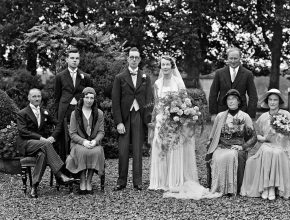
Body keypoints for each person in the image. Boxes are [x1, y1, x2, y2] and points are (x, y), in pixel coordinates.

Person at [148, 55, 221, 199]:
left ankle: (174, 180)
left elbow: (184, 103)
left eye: (168, 64)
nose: (165, 67)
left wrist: (180, 116)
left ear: (172, 66)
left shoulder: (178, 83)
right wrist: (154, 121)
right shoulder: (157, 83)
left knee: (174, 149)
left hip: (175, 120)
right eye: (163, 64)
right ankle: (160, 181)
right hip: (161, 120)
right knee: (160, 149)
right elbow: (156, 105)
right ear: (160, 66)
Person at [241, 89, 290, 200]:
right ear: (267, 101)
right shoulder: (263, 117)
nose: (272, 102)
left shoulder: (285, 114)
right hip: (267, 145)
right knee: (267, 151)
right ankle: (266, 188)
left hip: (282, 146)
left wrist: (286, 133)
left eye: (275, 100)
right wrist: (263, 138)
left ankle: (272, 187)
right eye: (270, 100)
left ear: (279, 102)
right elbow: (257, 135)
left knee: (276, 153)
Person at [17, 88, 74, 198]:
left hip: (40, 147)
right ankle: (60, 174)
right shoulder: (22, 113)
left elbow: (58, 124)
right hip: (26, 143)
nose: (37, 98)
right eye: (34, 96)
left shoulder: (44, 112)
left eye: (38, 96)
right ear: (28, 98)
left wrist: (53, 137)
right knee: (46, 144)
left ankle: (34, 186)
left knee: (42, 155)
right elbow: (23, 131)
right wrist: (41, 138)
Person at [111, 47, 153, 191]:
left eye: (136, 57)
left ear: (140, 59)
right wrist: (119, 122)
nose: (134, 60)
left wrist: (148, 120)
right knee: (123, 151)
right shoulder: (120, 77)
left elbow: (149, 100)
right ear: (128, 59)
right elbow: (115, 102)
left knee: (137, 150)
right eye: (131, 57)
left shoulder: (145, 78)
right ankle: (121, 181)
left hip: (139, 116)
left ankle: (138, 181)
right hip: (124, 117)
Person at [206, 89, 257, 196]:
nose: (231, 101)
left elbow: (253, 137)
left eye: (234, 99)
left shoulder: (245, 116)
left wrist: (243, 147)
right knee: (216, 156)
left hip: (237, 146)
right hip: (222, 146)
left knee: (235, 155)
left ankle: (235, 188)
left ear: (239, 101)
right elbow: (213, 135)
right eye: (229, 99)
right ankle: (219, 186)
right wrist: (210, 146)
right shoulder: (220, 116)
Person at [54, 47, 93, 161]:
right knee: (63, 141)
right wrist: (56, 118)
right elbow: (56, 97)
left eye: (77, 58)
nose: (74, 60)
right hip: (64, 111)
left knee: (79, 138)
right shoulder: (60, 76)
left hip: (79, 111)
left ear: (79, 60)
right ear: (67, 59)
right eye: (72, 58)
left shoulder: (86, 77)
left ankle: (77, 170)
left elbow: (89, 96)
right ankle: (63, 171)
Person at [65, 87, 105, 195]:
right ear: (82, 98)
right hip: (78, 143)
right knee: (82, 152)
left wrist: (95, 141)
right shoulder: (75, 113)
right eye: (87, 97)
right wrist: (84, 142)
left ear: (94, 99)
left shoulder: (99, 113)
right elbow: (72, 133)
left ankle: (89, 181)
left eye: (92, 98)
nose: (89, 100)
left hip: (93, 143)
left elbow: (101, 132)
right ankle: (82, 180)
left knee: (96, 151)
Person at [209, 46, 258, 122]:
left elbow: (253, 96)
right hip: (222, 112)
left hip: (241, 112)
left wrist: (250, 115)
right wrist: (213, 113)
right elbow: (213, 94)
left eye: (235, 58)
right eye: (231, 58)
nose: (233, 61)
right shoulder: (219, 73)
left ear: (240, 59)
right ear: (227, 59)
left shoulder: (248, 74)